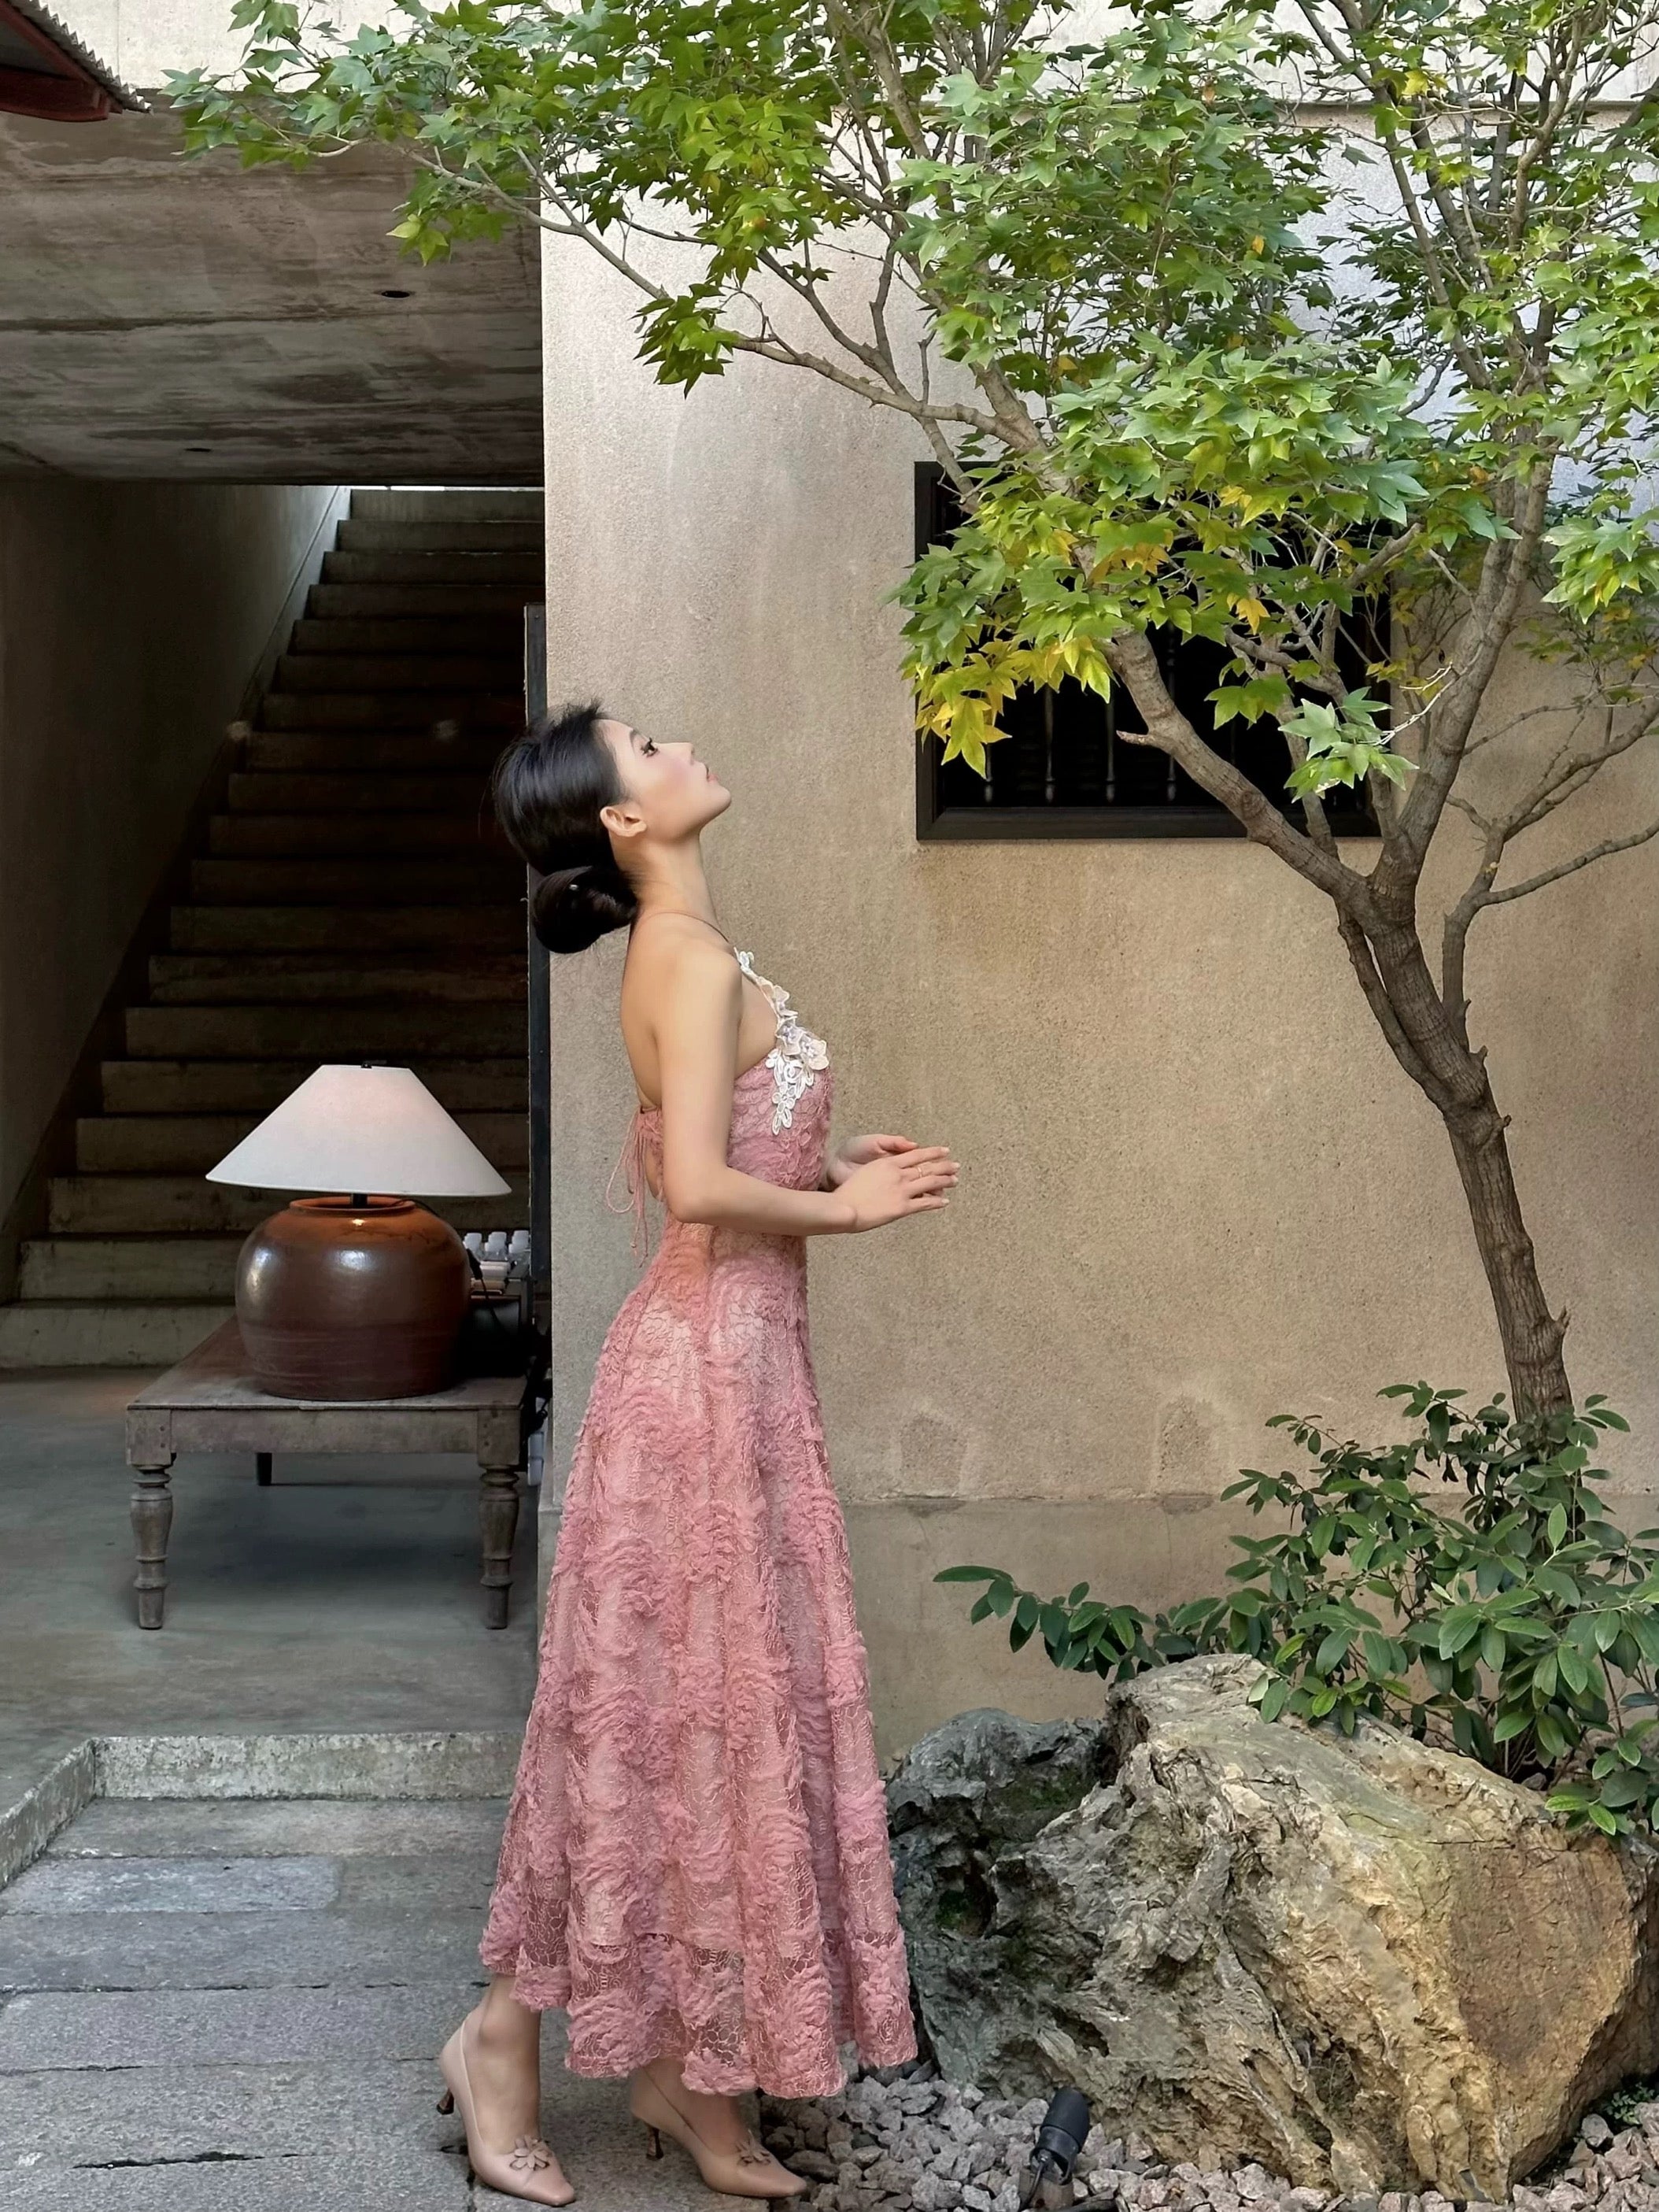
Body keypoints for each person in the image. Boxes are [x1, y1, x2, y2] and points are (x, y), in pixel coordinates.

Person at [435, 703, 959, 2203]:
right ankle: (498, 2040)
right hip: (701, 1380)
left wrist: (829, 1158)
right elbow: (700, 1189)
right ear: (622, 819)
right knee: (645, 1718)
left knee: (704, 1721)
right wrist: (843, 1210)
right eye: (649, 748)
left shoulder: (693, 947)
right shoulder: (684, 952)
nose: (680, 751)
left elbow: (720, 1140)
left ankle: (687, 2073)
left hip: (738, 1371)